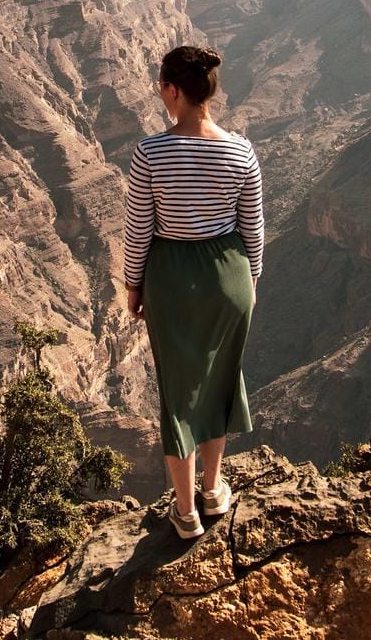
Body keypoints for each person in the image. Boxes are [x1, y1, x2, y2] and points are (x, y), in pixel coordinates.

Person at [121, 44, 263, 539]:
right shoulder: (241, 150)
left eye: (162, 87)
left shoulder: (150, 153)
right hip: (230, 278)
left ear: (173, 90)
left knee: (179, 394)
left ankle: (185, 513)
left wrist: (132, 287)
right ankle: (213, 489)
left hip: (172, 278)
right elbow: (253, 230)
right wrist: (250, 283)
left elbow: (139, 229)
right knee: (220, 379)